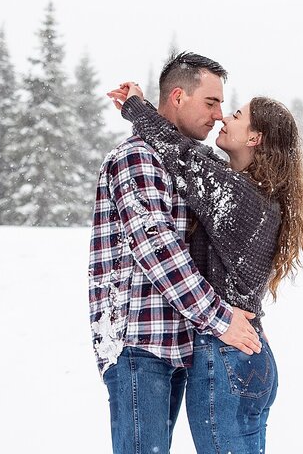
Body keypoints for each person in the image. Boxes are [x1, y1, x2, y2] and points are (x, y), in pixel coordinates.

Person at [106, 76, 303, 454]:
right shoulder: (249, 192)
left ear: (255, 139)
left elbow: (184, 157)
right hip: (244, 357)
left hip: (227, 358)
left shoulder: (239, 195)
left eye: (235, 114)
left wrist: (137, 109)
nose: (223, 119)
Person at [88, 52, 261, 454]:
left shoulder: (180, 161)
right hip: (139, 342)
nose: (219, 115)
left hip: (179, 340)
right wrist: (221, 319)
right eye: (211, 102)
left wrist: (140, 109)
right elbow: (157, 247)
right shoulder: (137, 158)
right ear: (179, 97)